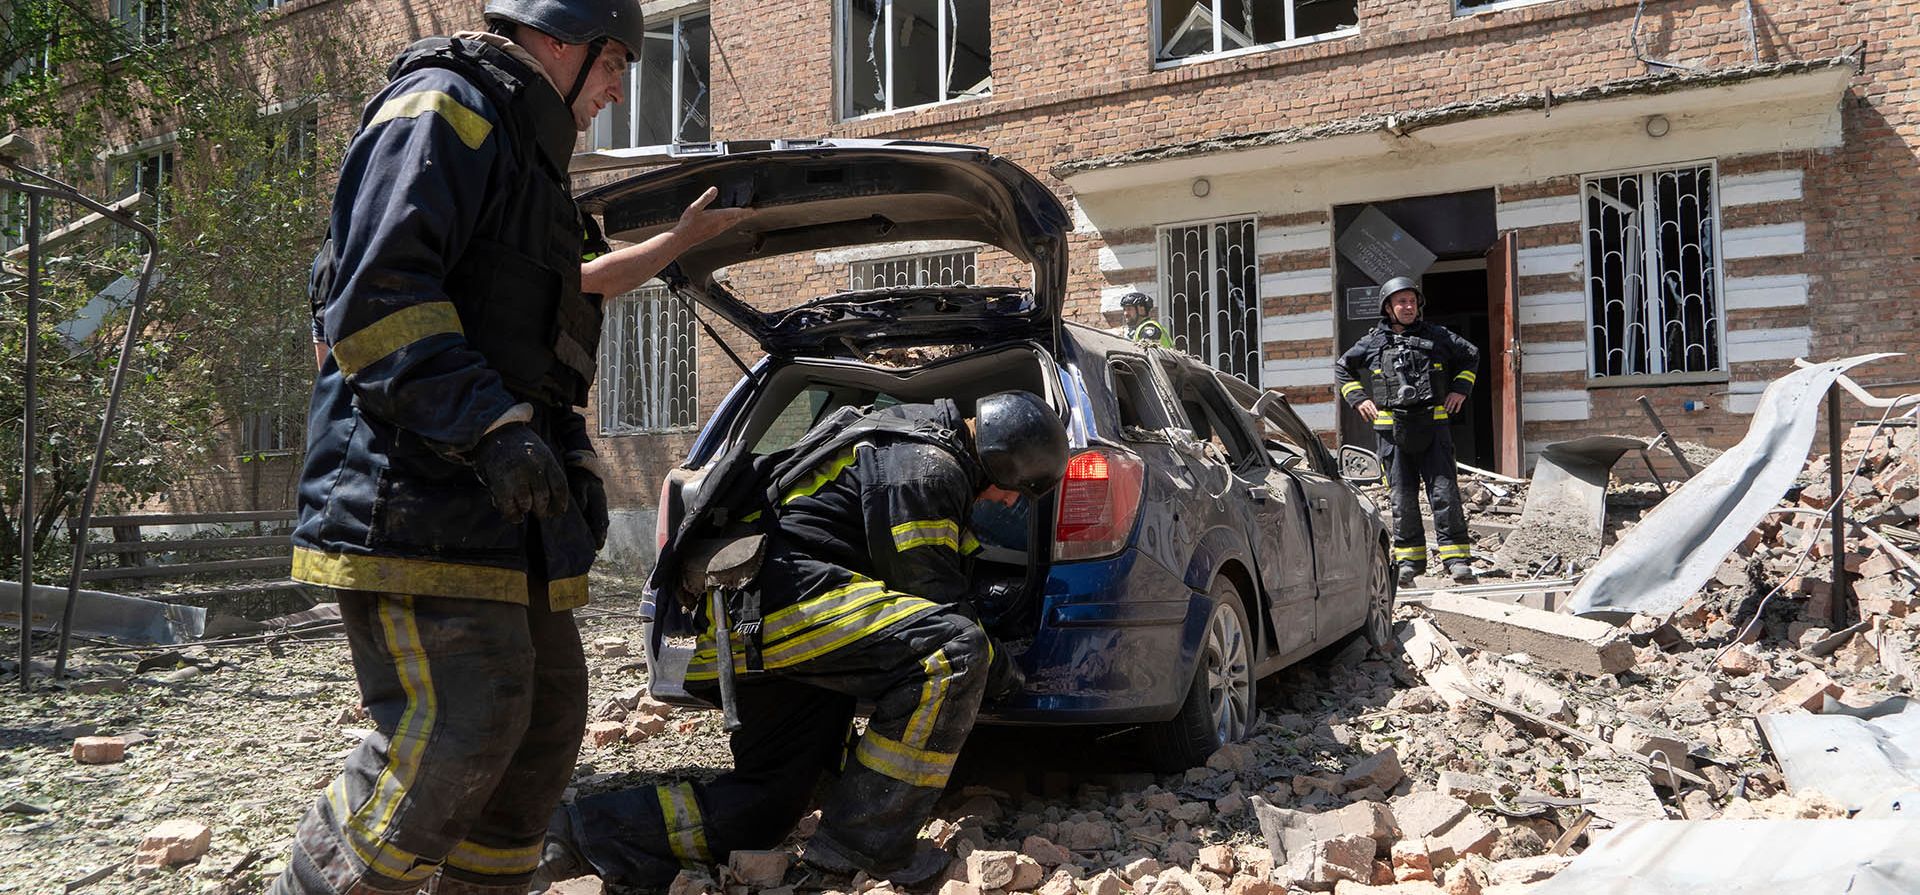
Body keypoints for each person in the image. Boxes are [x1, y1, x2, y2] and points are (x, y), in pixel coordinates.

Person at [277, 0, 748, 891]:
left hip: (496, 513)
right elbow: (376, 293)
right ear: (560, 39)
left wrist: (564, 447)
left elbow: (561, 305)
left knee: (540, 728)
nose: (617, 88)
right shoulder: (444, 107)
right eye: (615, 63)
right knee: (462, 720)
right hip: (410, 498)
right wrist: (489, 427)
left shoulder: (531, 167)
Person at [533, 391, 1070, 890]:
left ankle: (576, 833)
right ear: (1003, 459)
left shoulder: (906, 439)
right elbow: (936, 604)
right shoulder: (928, 468)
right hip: (781, 602)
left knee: (767, 807)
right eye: (1014, 488)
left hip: (739, 619)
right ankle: (866, 846)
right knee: (952, 652)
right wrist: (1007, 673)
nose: (1004, 502)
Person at [1334, 276, 1481, 587]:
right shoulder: (1373, 342)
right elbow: (1342, 367)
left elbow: (1471, 355)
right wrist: (1358, 399)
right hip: (1393, 434)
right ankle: (1410, 563)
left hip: (1434, 428)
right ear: (1388, 307)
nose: (1408, 306)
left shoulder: (1438, 336)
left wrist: (1460, 390)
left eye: (1412, 301)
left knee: (1444, 493)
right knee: (1402, 498)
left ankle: (1456, 560)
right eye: (1400, 301)